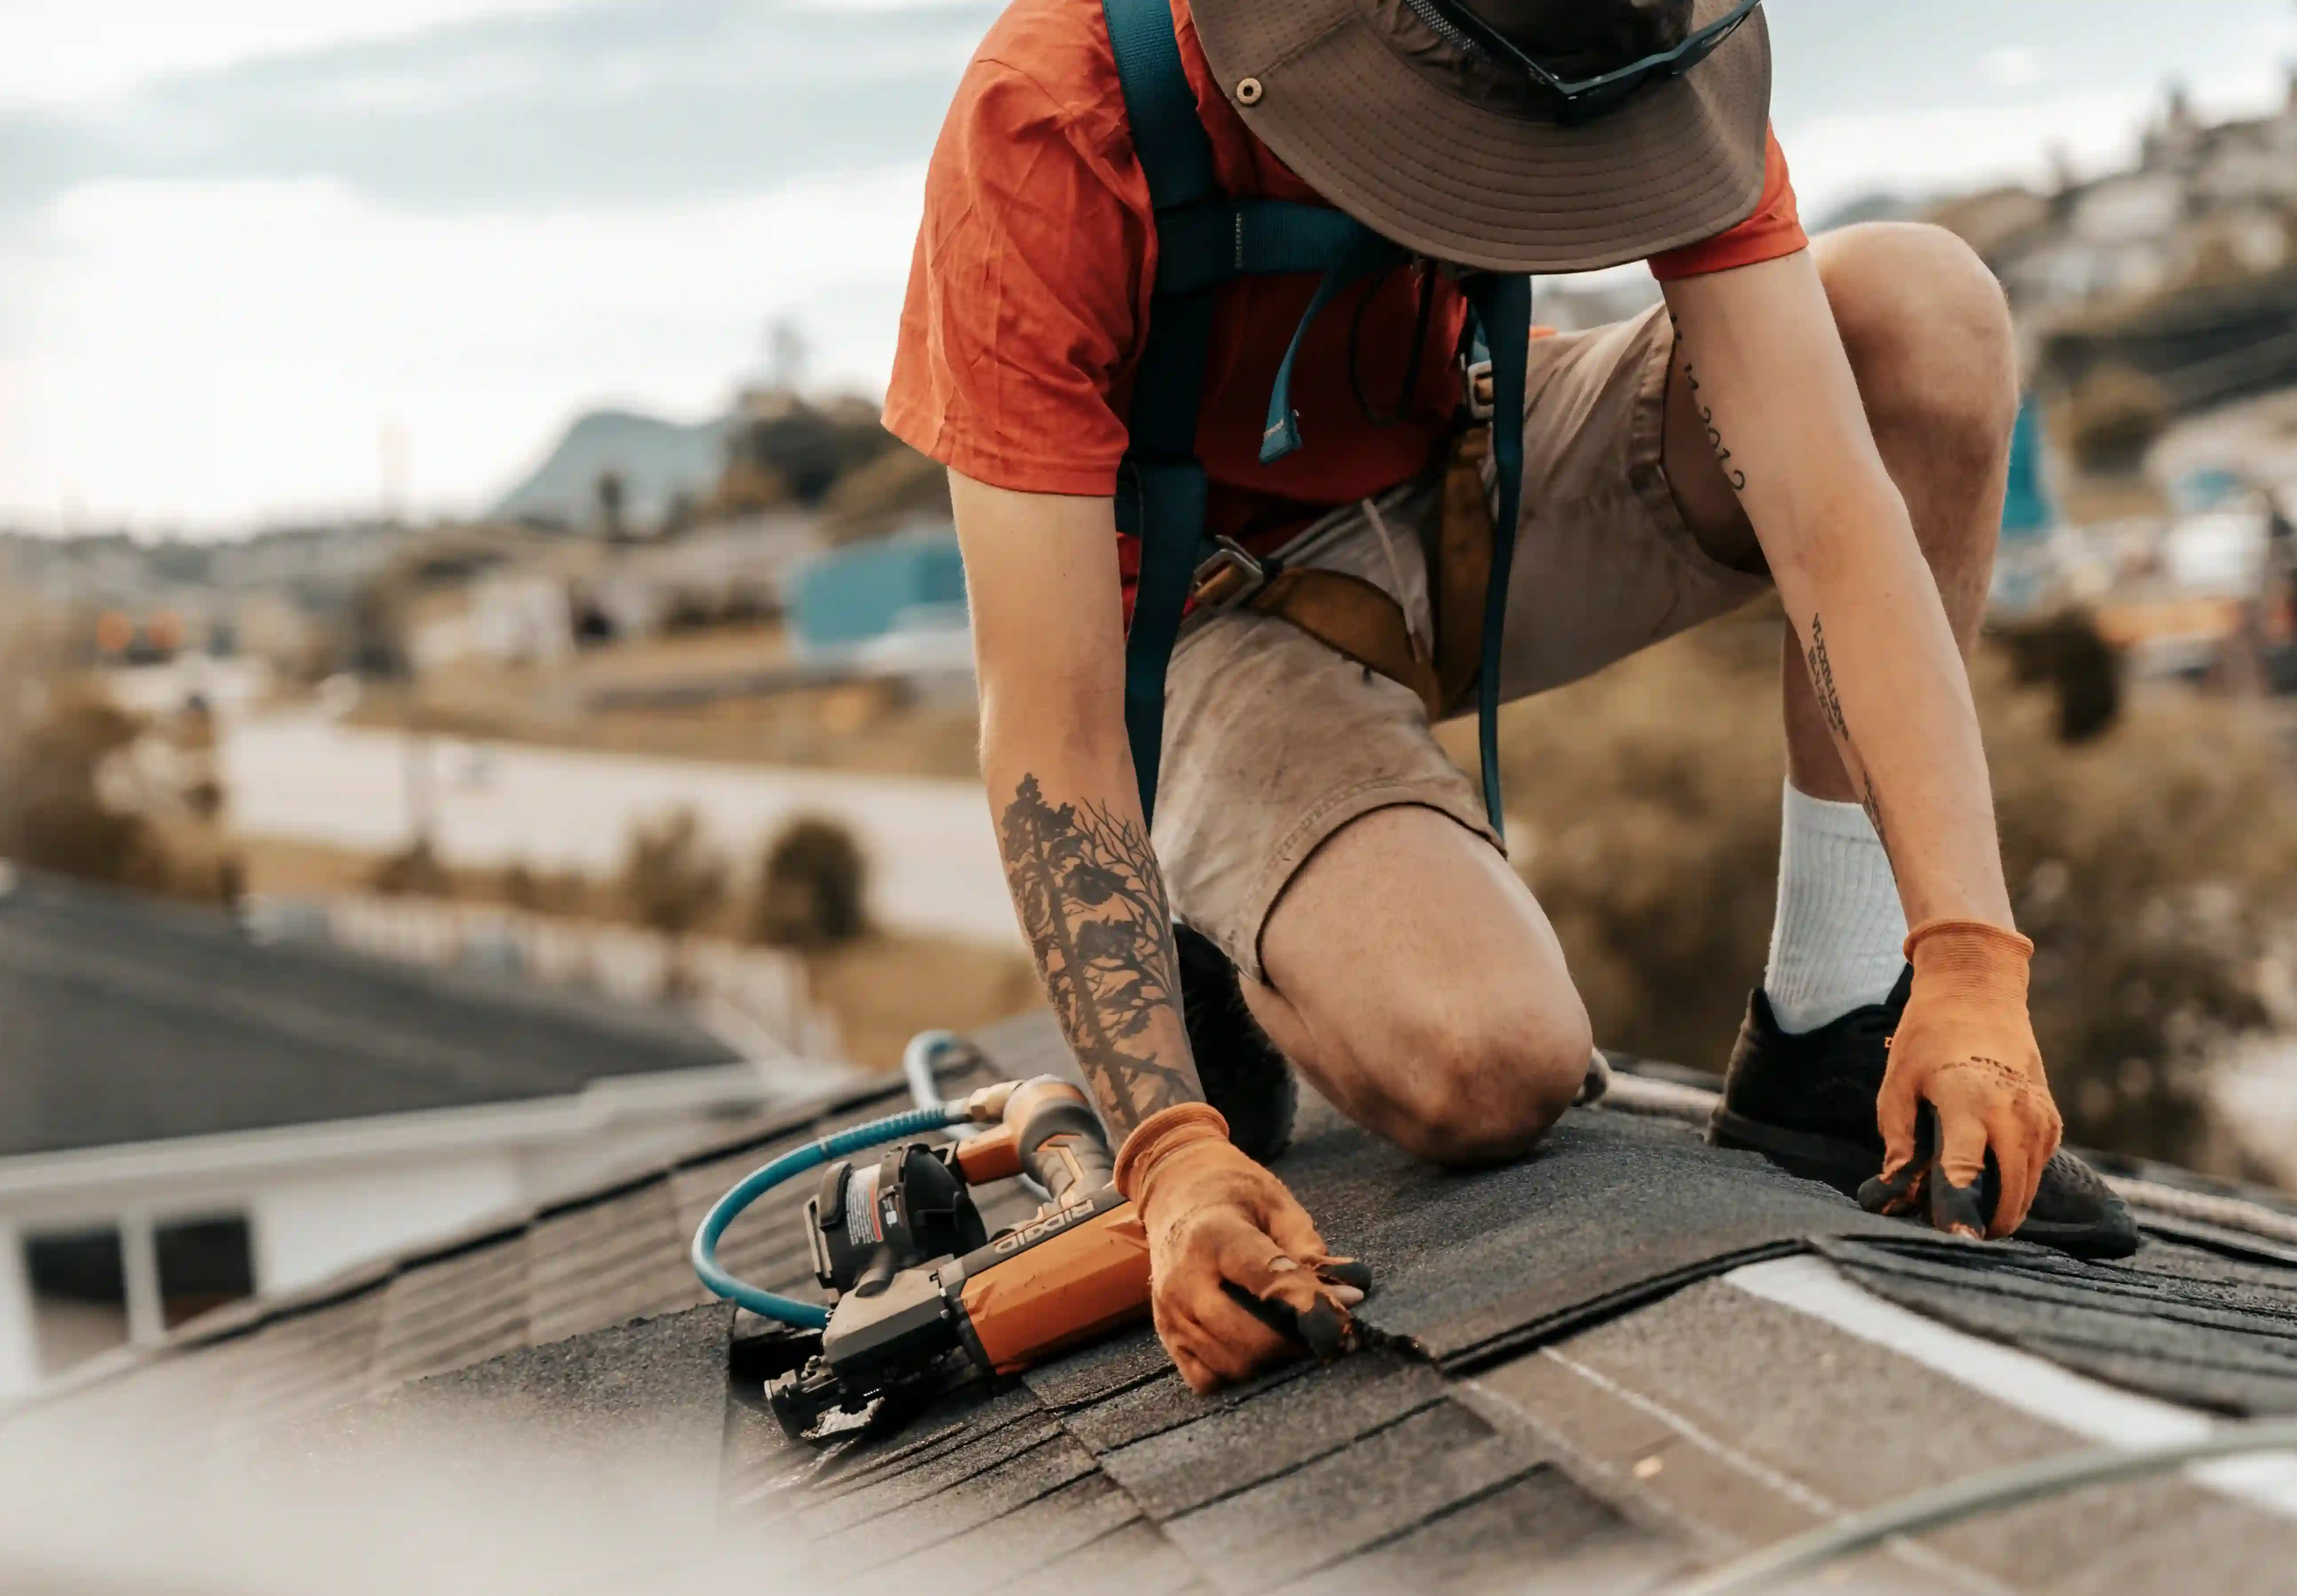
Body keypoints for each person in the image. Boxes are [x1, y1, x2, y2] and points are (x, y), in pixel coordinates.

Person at [887, 0, 2135, 1394]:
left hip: (1480, 478)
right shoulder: (1060, 115)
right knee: (1484, 1063)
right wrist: (1167, 1150)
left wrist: (1964, 956)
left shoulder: (1613, 26)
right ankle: (1220, 922)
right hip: (1210, 611)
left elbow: (1833, 519)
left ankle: (1827, 1037)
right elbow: (1052, 717)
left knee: (1924, 313)